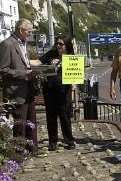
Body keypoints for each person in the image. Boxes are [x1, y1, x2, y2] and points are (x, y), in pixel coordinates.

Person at [0, 19, 38, 152]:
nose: (30, 34)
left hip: (28, 89)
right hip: (16, 91)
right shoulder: (7, 44)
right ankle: (19, 153)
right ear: (21, 30)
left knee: (31, 121)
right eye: (29, 31)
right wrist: (24, 74)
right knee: (20, 124)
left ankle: (32, 149)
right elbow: (3, 70)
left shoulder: (23, 43)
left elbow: (23, 63)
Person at [39, 36, 76, 151]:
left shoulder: (71, 57)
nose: (58, 46)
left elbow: (75, 75)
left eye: (61, 44)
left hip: (64, 91)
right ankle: (52, 141)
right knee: (51, 116)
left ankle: (69, 140)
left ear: (66, 46)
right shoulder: (51, 54)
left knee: (65, 116)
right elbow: (40, 63)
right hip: (50, 89)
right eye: (57, 44)